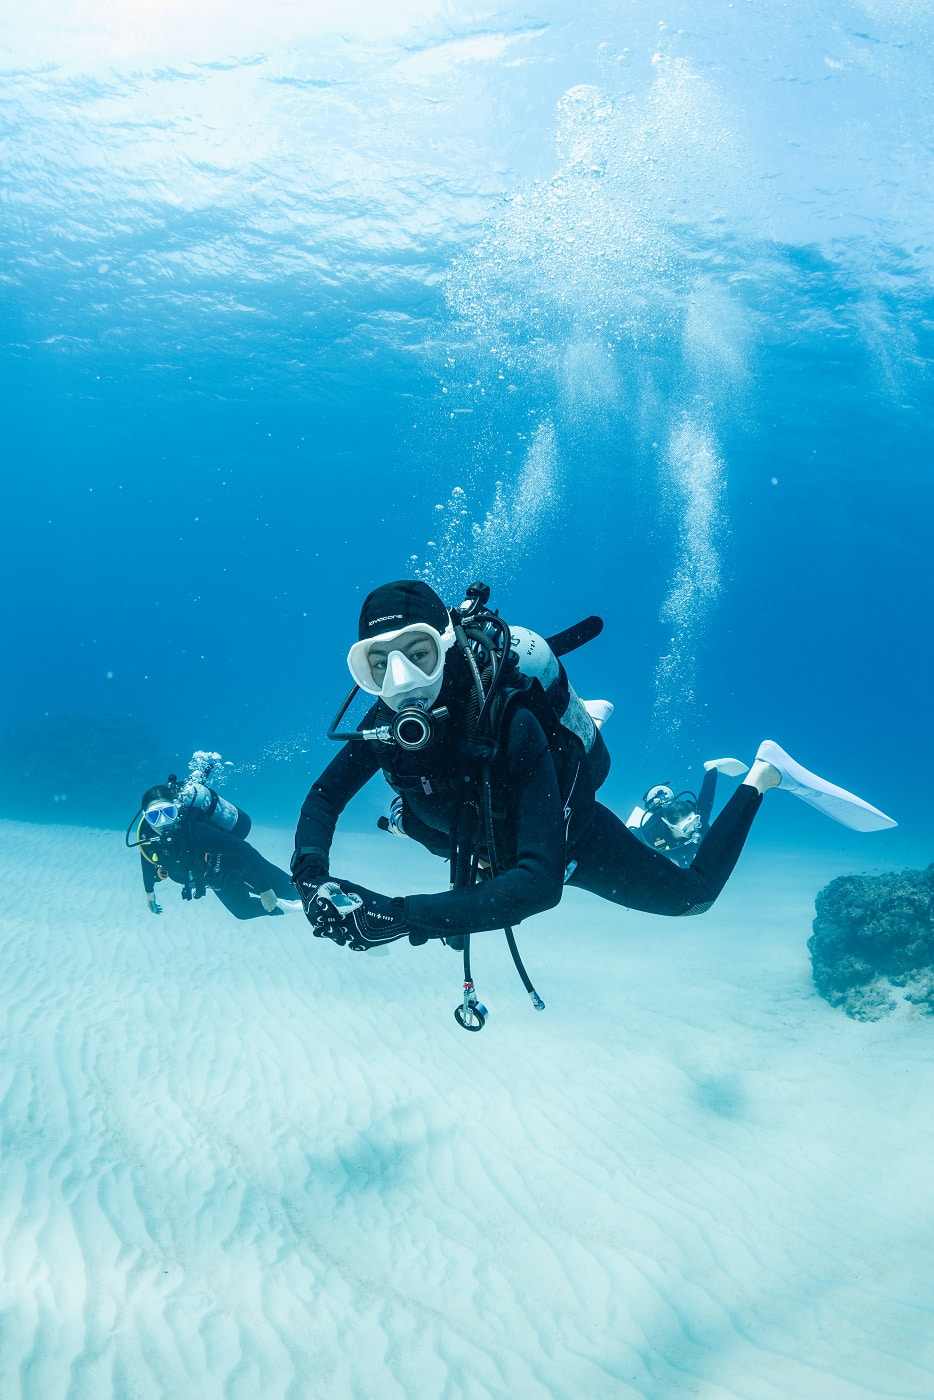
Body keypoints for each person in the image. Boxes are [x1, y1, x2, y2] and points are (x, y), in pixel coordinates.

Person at [290, 579, 896, 953]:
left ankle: (764, 774)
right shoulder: (387, 723)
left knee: (694, 896)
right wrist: (311, 879)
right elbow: (323, 800)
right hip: (477, 831)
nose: (402, 685)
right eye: (379, 665)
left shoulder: (509, 717)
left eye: (417, 655)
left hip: (563, 836)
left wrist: (397, 917)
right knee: (425, 834)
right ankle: (584, 724)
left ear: (446, 645)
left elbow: (537, 884)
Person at [131, 779, 299, 920]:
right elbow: (147, 858)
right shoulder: (148, 836)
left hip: (240, 864)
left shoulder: (197, 831)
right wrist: (149, 890)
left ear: (177, 811)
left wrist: (265, 889)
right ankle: (289, 908)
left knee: (294, 891)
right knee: (243, 912)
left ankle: (317, 892)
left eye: (168, 813)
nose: (163, 823)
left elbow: (246, 851)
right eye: (155, 816)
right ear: (146, 818)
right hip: (216, 878)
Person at [626, 757, 750, 868]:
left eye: (694, 821)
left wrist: (712, 769)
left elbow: (706, 798)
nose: (693, 829)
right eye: (686, 827)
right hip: (667, 855)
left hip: (686, 855)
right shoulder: (651, 832)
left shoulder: (700, 821)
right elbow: (628, 839)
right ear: (669, 825)